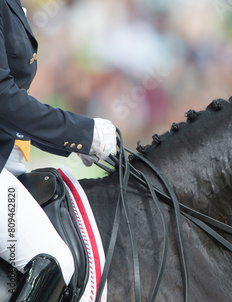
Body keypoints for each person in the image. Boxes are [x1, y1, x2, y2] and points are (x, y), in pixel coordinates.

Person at [0, 0, 116, 300]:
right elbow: (4, 101)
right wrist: (81, 133)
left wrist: (73, 141)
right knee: (53, 261)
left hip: (8, 160)